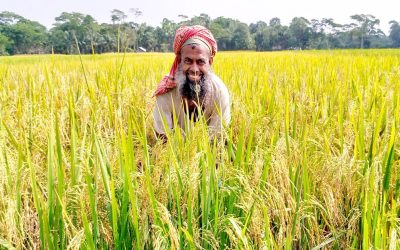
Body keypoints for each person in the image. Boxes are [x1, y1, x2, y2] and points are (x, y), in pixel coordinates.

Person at [153, 25, 230, 140]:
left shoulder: (219, 92)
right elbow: (163, 141)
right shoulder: (166, 93)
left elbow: (216, 141)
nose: (194, 69)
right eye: (188, 61)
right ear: (179, 61)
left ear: (210, 62)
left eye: (200, 62)